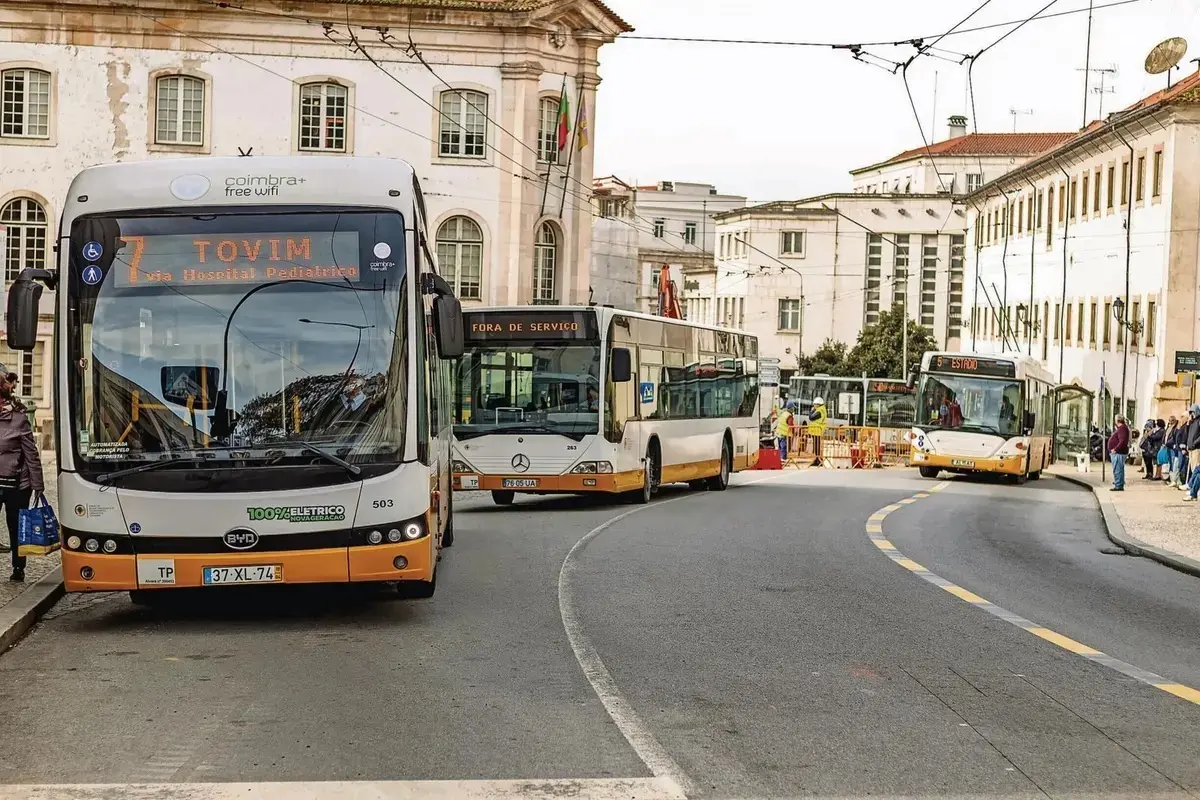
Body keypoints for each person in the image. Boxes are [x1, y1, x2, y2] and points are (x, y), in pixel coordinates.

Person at [0, 365, 45, 582]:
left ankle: (18, 568)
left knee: (16, 527)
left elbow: (31, 453)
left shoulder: (18, 416)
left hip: (16, 484)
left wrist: (37, 484)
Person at [1107, 415, 1129, 491]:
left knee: (1117, 469)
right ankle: (1119, 483)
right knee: (1119, 469)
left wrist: (1115, 449)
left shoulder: (1122, 429)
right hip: (1118, 452)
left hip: (1118, 453)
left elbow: (1122, 441)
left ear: (1117, 421)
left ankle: (1118, 485)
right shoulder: (1122, 428)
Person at [808, 396, 828, 466]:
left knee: (817, 446)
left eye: (815, 404)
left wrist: (811, 411)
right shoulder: (820, 409)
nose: (813, 405)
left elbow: (811, 417)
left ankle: (819, 460)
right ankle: (817, 459)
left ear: (818, 404)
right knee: (816, 446)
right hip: (815, 430)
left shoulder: (820, 411)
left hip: (817, 430)